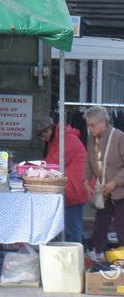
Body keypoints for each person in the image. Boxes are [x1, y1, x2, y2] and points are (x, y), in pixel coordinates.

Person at [36, 115, 86, 244]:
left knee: (72, 229)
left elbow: (53, 164)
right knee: (70, 227)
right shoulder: (58, 140)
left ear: (49, 130)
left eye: (42, 136)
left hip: (73, 189)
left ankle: (76, 259)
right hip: (69, 187)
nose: (43, 140)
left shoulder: (66, 140)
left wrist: (34, 169)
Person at [84, 105, 124, 254]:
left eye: (92, 125)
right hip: (104, 191)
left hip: (120, 192)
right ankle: (97, 255)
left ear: (103, 123)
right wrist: (86, 181)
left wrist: (115, 182)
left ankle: (122, 262)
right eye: (88, 125)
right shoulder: (91, 138)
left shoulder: (119, 137)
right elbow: (89, 160)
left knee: (122, 228)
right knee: (100, 227)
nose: (90, 129)